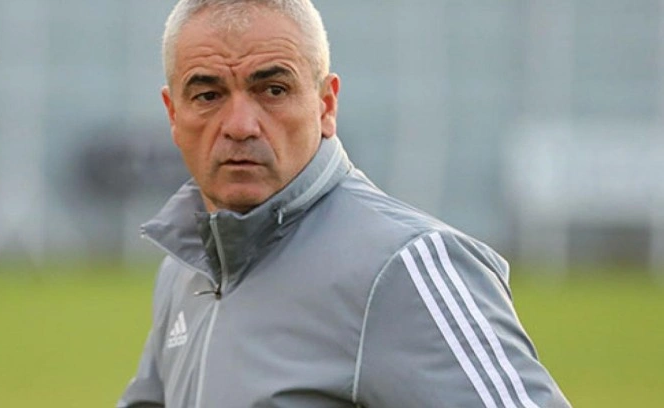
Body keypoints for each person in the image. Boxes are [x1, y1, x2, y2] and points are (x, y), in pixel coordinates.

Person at [118, 0, 571, 407]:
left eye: (273, 90)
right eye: (208, 95)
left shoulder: (402, 266)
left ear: (326, 105)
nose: (239, 125)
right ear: (173, 113)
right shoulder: (186, 267)